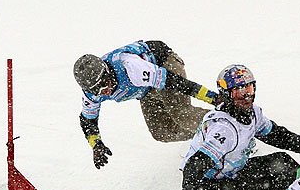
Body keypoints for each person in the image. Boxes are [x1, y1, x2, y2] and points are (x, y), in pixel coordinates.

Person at [175, 64, 300, 190]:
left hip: (231, 174)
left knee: (284, 163)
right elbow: (197, 162)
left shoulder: (253, 113)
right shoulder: (225, 129)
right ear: (227, 95)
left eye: (249, 89)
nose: (246, 97)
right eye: (239, 92)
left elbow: (280, 136)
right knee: (284, 185)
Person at [73, 40, 219, 169]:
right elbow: (88, 120)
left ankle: (223, 125)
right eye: (96, 89)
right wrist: (96, 144)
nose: (104, 91)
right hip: (145, 89)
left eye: (104, 83)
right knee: (161, 132)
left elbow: (179, 83)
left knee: (181, 114)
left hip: (165, 65)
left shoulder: (130, 67)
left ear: (107, 71)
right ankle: (207, 135)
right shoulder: (91, 95)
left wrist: (213, 98)